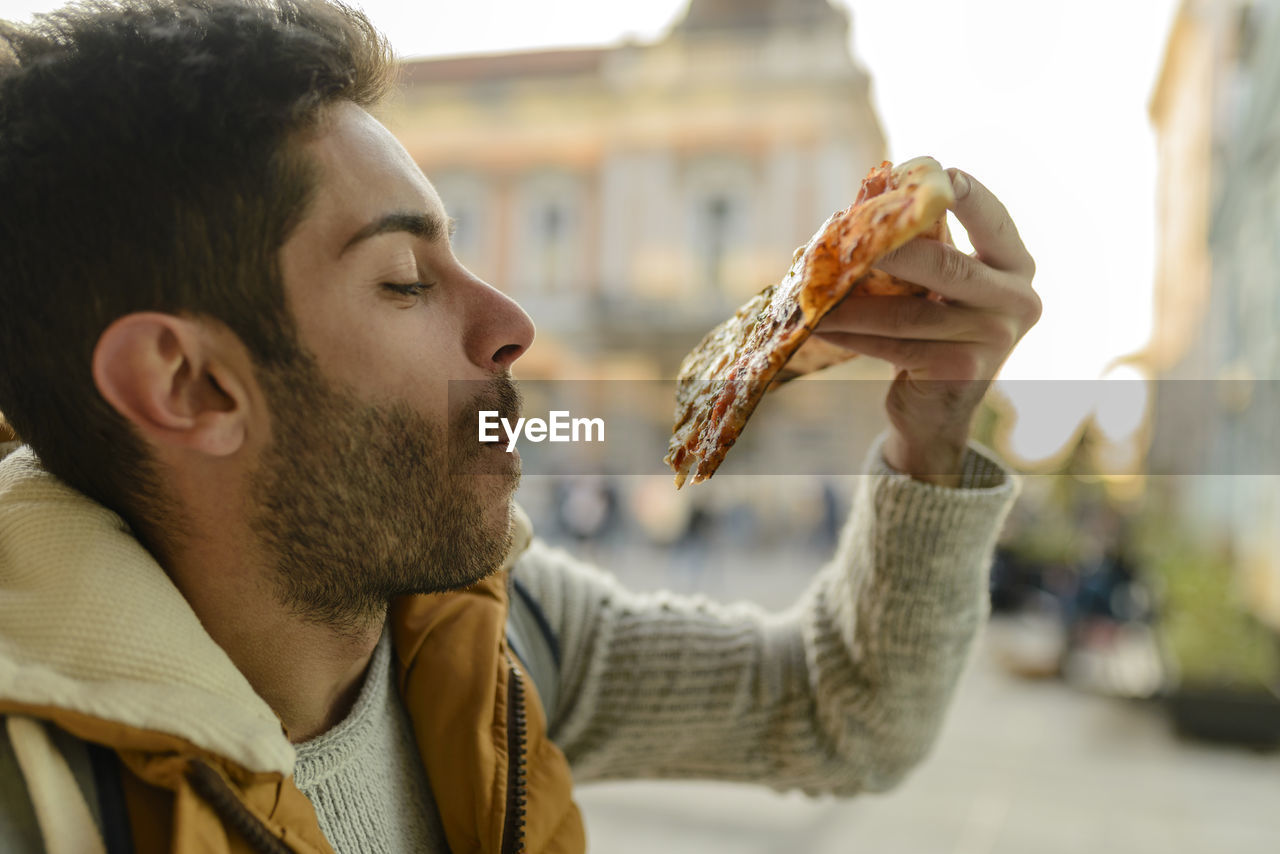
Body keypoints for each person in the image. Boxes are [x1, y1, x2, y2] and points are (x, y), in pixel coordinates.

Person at [0, 1, 1040, 851]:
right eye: (405, 280)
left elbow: (839, 709)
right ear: (189, 385)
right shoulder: (41, 799)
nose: (512, 325)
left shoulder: (487, 625)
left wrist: (930, 430)